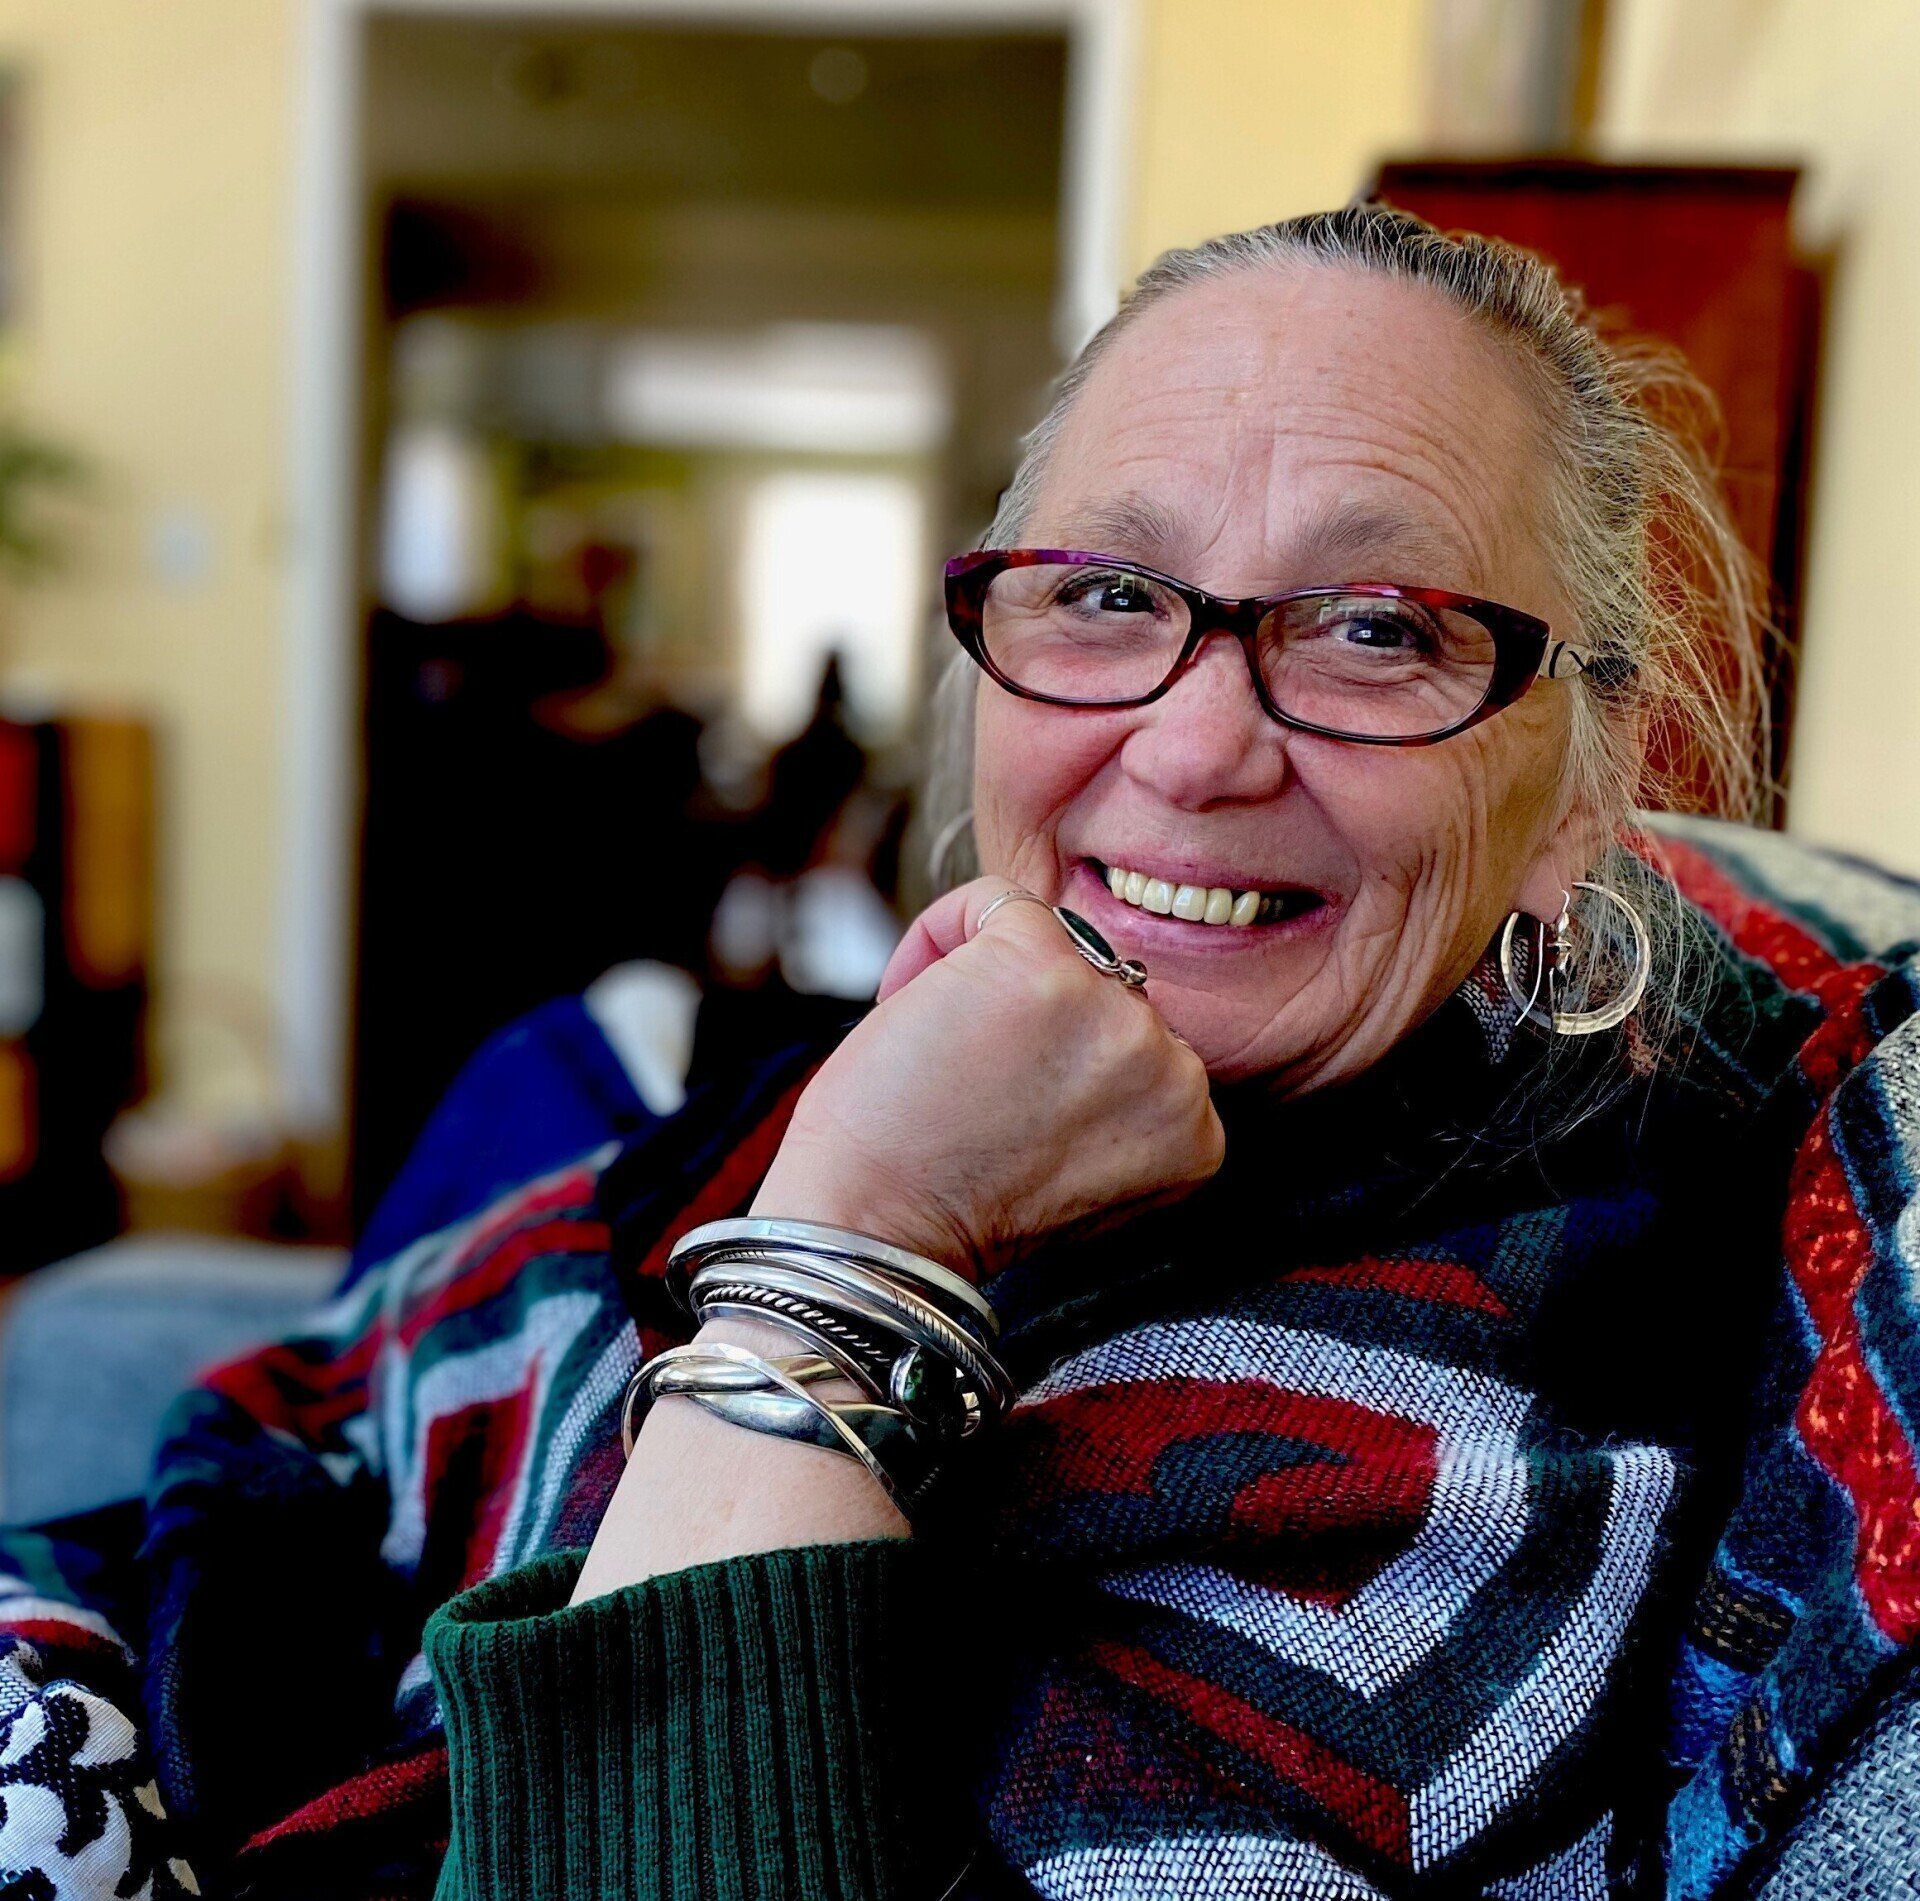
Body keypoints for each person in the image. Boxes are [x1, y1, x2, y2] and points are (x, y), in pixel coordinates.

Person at [5, 204, 1920, 1901]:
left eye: (1371, 628)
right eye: (1104, 595)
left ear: (1586, 790)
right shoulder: (961, 1053)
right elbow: (317, 1405)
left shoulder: (1488, 1476)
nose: (1187, 750)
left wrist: (856, 1241)